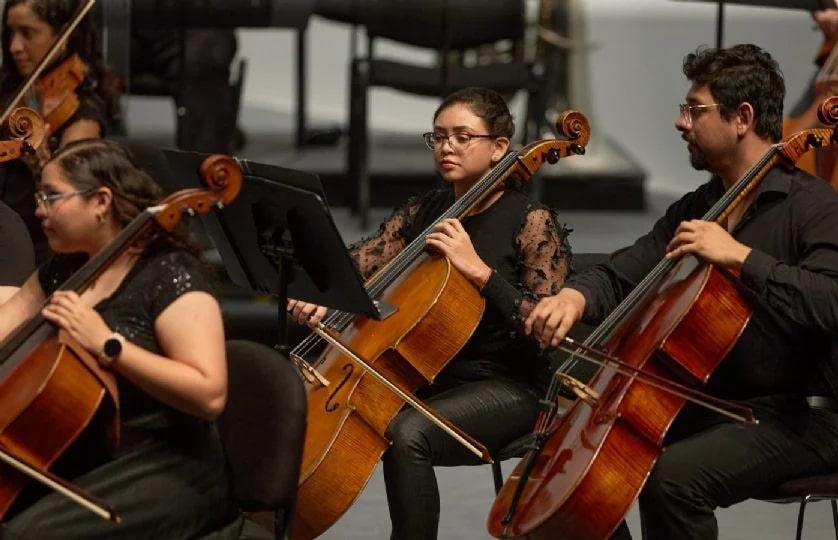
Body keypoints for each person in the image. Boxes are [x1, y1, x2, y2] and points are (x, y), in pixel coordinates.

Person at [524, 44, 838, 539]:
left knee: (672, 479)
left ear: (742, 117)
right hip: (713, 403)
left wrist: (741, 257)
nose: (680, 123)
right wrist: (573, 298)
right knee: (578, 457)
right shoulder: (700, 206)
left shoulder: (813, 206)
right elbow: (625, 270)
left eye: (694, 110)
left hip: (799, 418)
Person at [287, 86, 571, 539]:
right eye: (438, 136)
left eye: (462, 136)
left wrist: (479, 271)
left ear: (499, 148)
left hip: (509, 384)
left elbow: (542, 328)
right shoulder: (429, 211)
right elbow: (361, 263)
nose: (447, 147)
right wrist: (327, 295)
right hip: (431, 373)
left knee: (407, 431)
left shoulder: (530, 221)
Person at [0, 139, 238, 537]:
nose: (38, 209)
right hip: (80, 452)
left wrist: (108, 344)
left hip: (161, 464)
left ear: (101, 201)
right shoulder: (68, 268)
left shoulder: (170, 277)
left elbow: (209, 394)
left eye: (52, 196)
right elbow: (9, 319)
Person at [0, 0, 119, 264]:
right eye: (10, 32)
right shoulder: (10, 91)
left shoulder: (82, 112)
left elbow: (72, 205)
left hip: (35, 249)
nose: (14, 47)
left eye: (27, 33)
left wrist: (41, 167)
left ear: (63, 36)